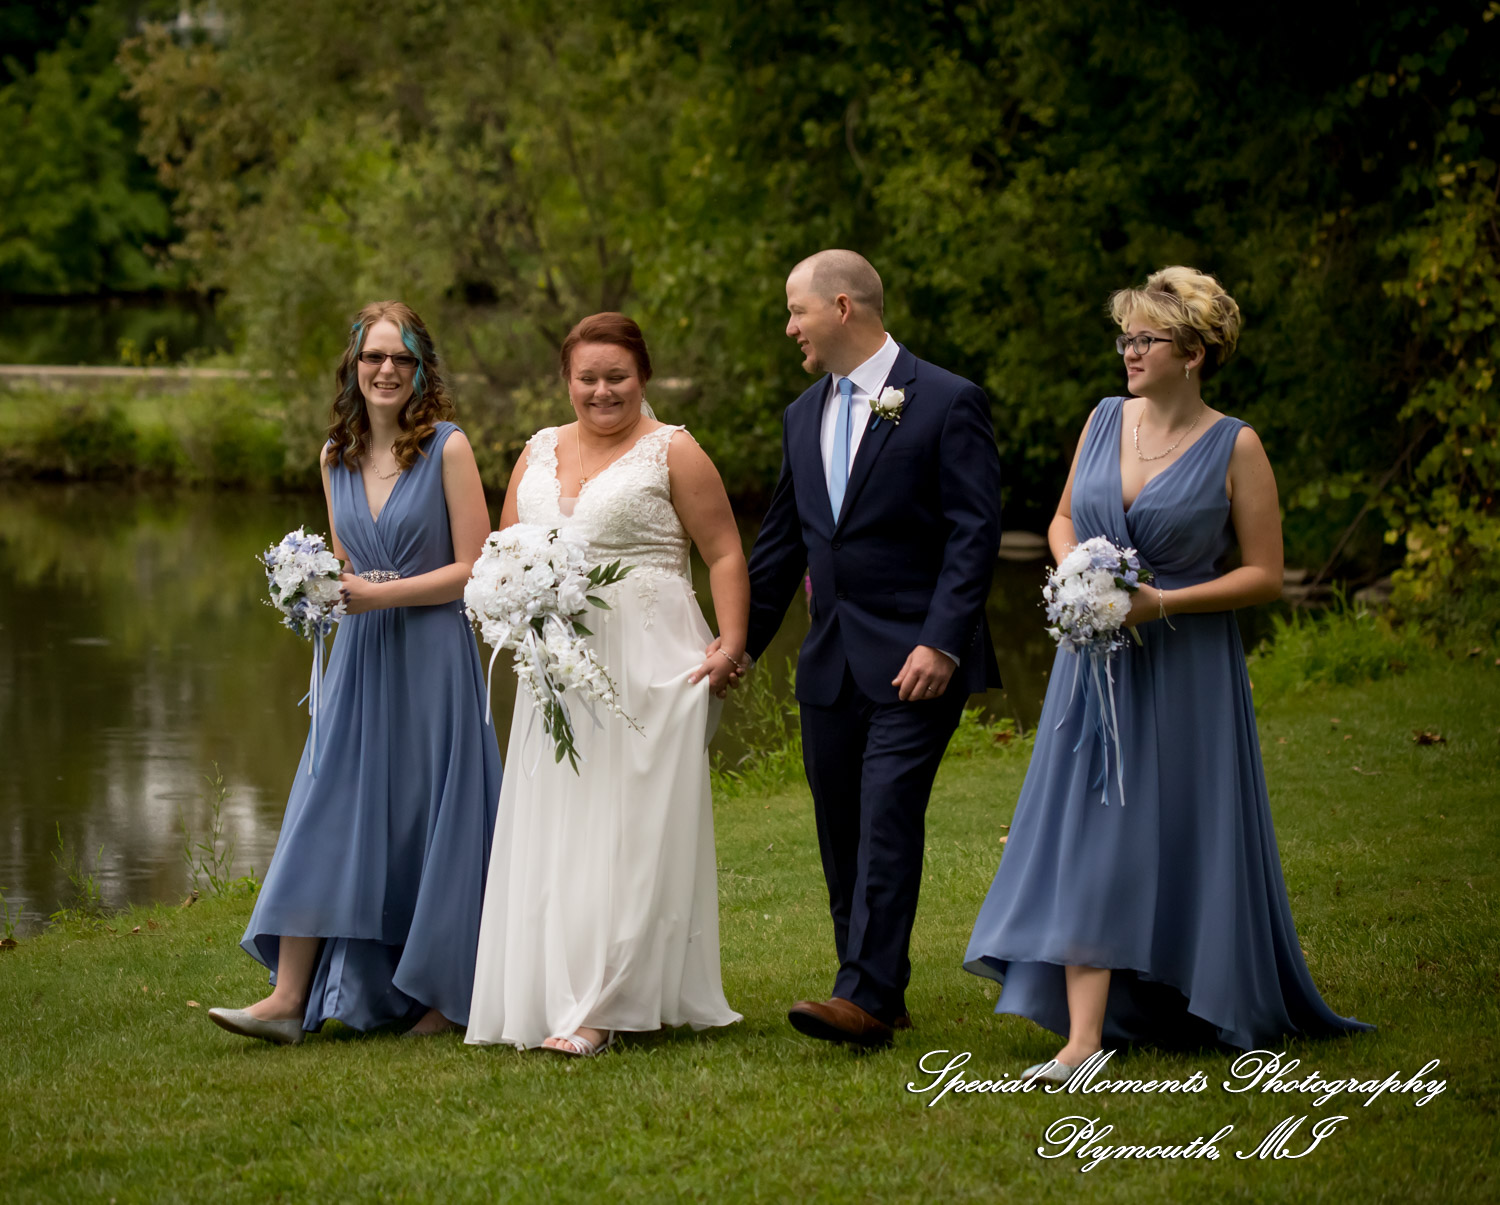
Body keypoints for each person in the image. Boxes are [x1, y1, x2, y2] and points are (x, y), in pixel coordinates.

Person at [964, 267, 1373, 1080]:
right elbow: (1061, 518)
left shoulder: (1237, 445)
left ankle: (1187, 996)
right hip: (1095, 668)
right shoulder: (1104, 419)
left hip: (1187, 667)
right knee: (1090, 833)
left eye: (1144, 339)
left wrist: (1161, 602)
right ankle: (1082, 1037)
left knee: (1181, 828)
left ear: (1193, 351)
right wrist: (1075, 571)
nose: (1128, 352)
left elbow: (1263, 574)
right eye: (1125, 338)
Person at [209, 301, 503, 1045]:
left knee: (431, 816)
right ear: (353, 366)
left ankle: (443, 994)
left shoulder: (448, 448)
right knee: (328, 804)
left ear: (420, 369)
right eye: (373, 357)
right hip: (360, 656)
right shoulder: (333, 455)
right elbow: (345, 564)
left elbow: (478, 568)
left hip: (433, 651)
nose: (385, 371)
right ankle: (286, 997)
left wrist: (378, 594)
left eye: (400, 359)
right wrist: (311, 589)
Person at [741, 250, 1003, 1047]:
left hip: (917, 660)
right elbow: (782, 547)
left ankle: (862, 993)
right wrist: (736, 647)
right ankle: (876, 989)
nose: (790, 327)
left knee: (888, 812)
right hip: (831, 661)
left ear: (844, 307)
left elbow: (974, 531)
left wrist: (942, 642)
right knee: (841, 827)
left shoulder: (947, 400)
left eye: (797, 311)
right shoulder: (801, 414)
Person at [465, 312, 745, 1057]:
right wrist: (505, 604)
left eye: (616, 376)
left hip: (652, 662)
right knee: (560, 828)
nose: (601, 390)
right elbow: (503, 551)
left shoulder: (673, 450)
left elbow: (722, 551)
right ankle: (546, 991)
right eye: (587, 377)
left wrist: (733, 639)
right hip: (555, 669)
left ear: (642, 376)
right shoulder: (538, 450)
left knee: (634, 832)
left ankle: (605, 1004)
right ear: (567, 380)